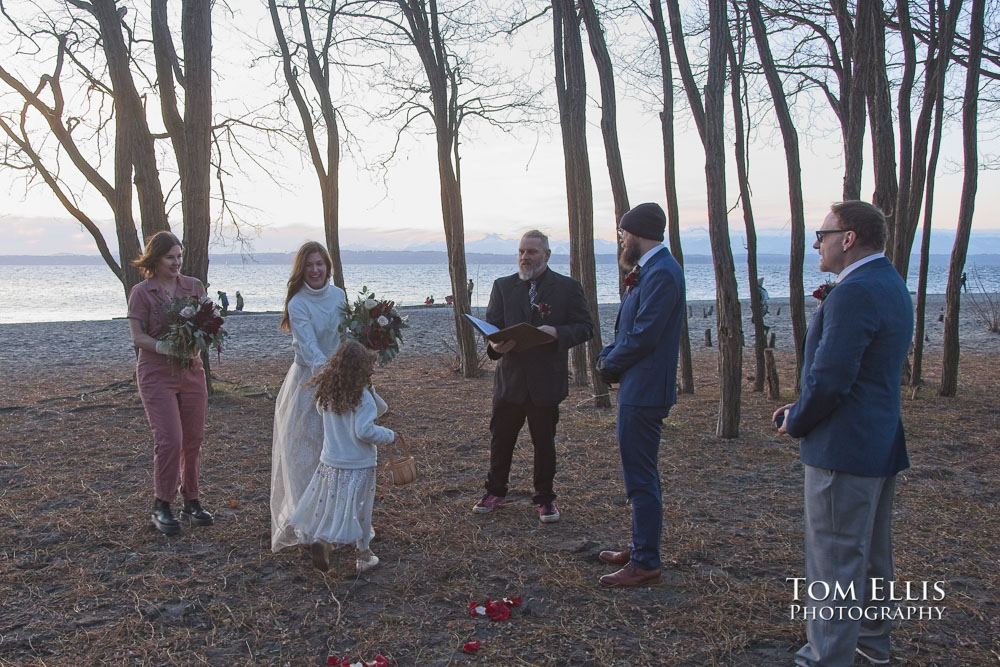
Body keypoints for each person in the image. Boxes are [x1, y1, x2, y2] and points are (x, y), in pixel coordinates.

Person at [773, 201, 913, 666]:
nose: (817, 243)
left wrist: (798, 419)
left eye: (823, 234)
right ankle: (871, 645)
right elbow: (864, 371)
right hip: (877, 437)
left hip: (844, 446)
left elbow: (832, 378)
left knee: (834, 559)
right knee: (871, 554)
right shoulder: (890, 283)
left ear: (848, 238)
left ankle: (826, 656)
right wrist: (802, 404)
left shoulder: (853, 292)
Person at [472, 230, 593, 523]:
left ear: (547, 255)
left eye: (532, 252)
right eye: (522, 251)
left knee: (544, 442)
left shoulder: (567, 288)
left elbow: (585, 327)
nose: (525, 257)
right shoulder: (503, 286)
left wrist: (557, 332)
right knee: (501, 440)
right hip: (510, 381)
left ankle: (545, 498)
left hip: (545, 380)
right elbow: (493, 327)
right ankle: (495, 490)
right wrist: (495, 345)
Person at [595, 203, 685, 587]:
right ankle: (640, 543)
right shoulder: (651, 270)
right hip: (638, 383)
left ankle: (646, 560)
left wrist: (609, 362)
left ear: (637, 233)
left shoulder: (663, 273)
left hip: (646, 387)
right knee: (638, 471)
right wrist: (610, 354)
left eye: (622, 233)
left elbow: (645, 334)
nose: (621, 240)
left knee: (641, 474)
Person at [127, 231, 214, 535]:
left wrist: (206, 333)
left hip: (191, 370)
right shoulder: (141, 292)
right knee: (170, 439)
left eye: (179, 256)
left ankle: (191, 499)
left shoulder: (193, 287)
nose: (176, 262)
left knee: (193, 439)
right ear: (155, 258)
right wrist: (164, 347)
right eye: (170, 257)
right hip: (156, 372)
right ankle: (162, 504)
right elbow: (137, 336)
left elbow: (208, 321)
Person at [289, 340, 395, 574]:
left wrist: (371, 390)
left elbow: (380, 409)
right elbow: (364, 430)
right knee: (361, 509)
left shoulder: (328, 393)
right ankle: (364, 554)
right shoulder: (361, 398)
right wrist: (389, 435)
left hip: (331, 461)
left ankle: (324, 541)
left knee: (334, 504)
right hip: (358, 464)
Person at [271, 241, 349, 552]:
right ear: (301, 270)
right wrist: (327, 378)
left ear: (328, 266)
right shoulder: (298, 303)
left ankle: (337, 520)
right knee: (305, 452)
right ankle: (310, 523)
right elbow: (310, 348)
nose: (315, 270)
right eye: (309, 265)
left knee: (337, 452)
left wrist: (353, 367)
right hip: (308, 380)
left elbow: (345, 336)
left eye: (320, 264)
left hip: (340, 378)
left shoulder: (339, 295)